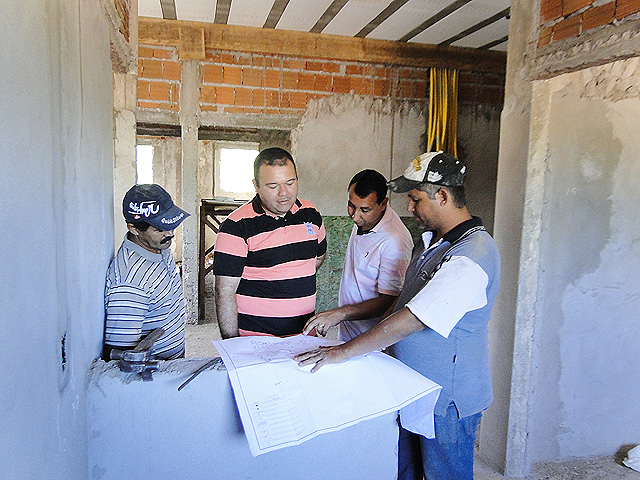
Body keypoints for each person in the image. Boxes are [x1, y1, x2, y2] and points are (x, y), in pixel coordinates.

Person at [296, 151, 500, 480]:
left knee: (443, 474)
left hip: (446, 399)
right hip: (415, 386)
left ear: (443, 196)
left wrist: (344, 351)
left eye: (415, 199)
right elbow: (402, 303)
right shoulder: (435, 244)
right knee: (405, 471)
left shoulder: (471, 256)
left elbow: (412, 318)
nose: (408, 207)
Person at [213, 147, 327, 338]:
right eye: (273, 186)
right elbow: (224, 292)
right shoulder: (236, 226)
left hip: (304, 338)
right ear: (256, 185)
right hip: (256, 343)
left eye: (290, 183)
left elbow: (317, 258)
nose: (284, 193)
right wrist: (233, 345)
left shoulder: (311, 213)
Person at [303, 169, 413, 341]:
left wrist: (341, 313)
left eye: (365, 209)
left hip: (371, 338)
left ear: (383, 204)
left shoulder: (394, 240)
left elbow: (389, 301)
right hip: (349, 329)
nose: (355, 216)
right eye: (351, 205)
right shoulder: (366, 219)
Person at [103, 184, 190, 360]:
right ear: (134, 229)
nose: (170, 233)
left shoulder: (158, 246)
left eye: (171, 224)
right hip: (156, 377)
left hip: (174, 364)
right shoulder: (130, 283)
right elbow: (123, 360)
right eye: (159, 229)